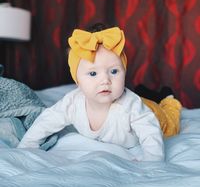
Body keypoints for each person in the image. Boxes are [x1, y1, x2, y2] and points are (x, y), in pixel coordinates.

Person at [18, 23, 181, 161]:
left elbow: (150, 132)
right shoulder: (73, 102)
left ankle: (167, 97)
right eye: (93, 73)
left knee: (170, 118)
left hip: (155, 114)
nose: (105, 81)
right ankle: (145, 92)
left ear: (124, 71)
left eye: (114, 71)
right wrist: (27, 146)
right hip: (141, 101)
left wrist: (152, 163)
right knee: (142, 97)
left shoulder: (131, 105)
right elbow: (47, 120)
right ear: (77, 80)